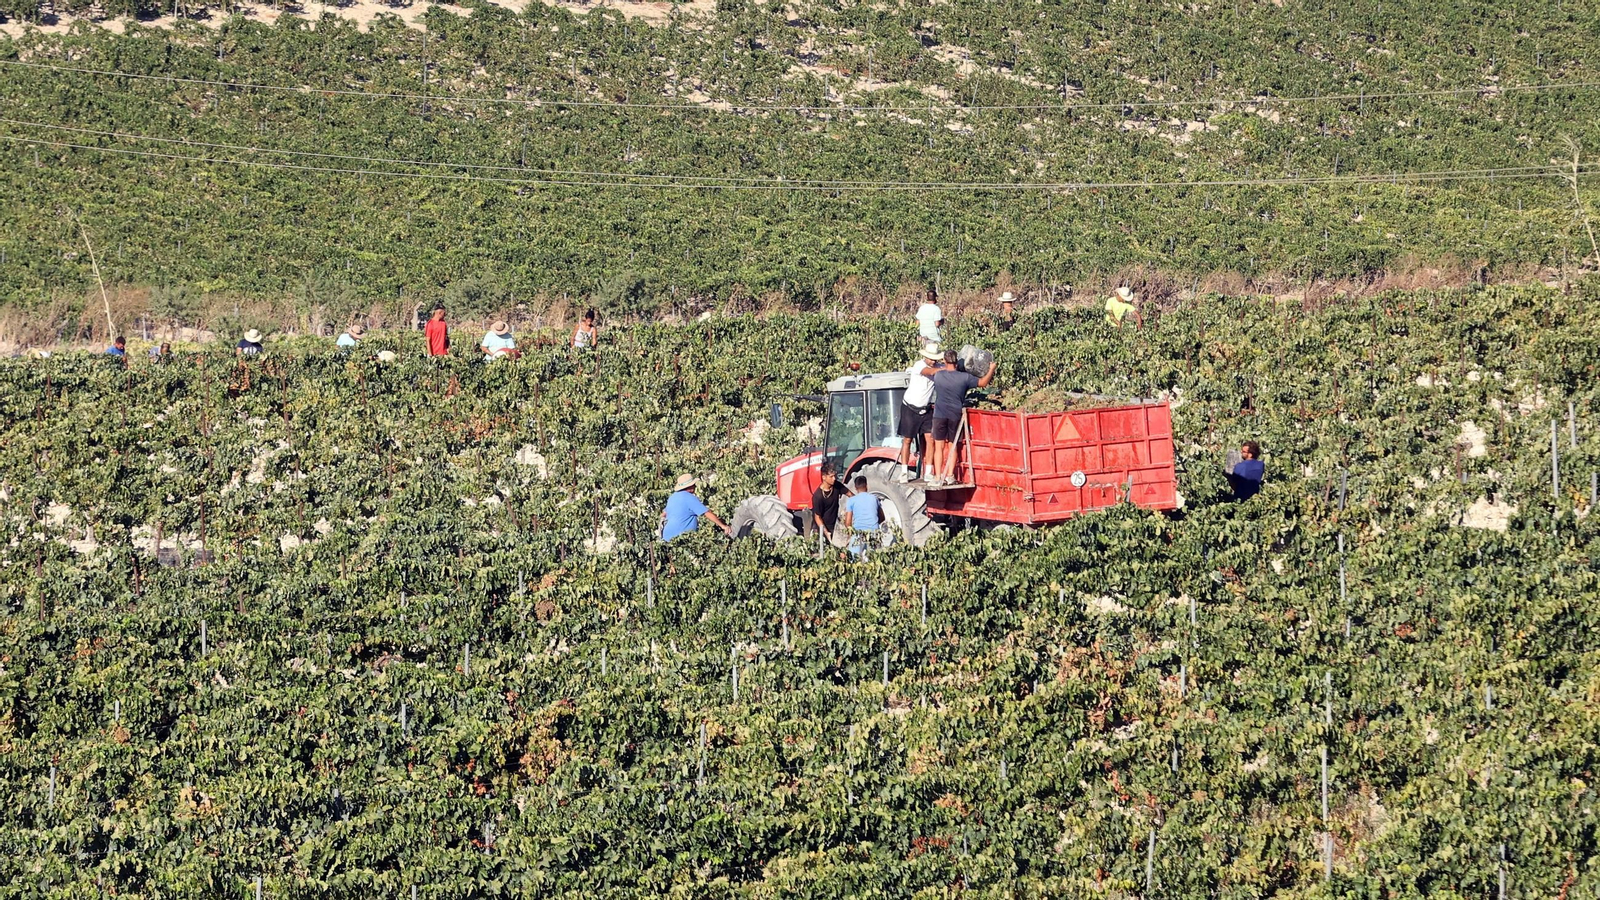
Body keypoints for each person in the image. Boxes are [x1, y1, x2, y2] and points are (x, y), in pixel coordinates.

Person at [930, 349, 997, 486]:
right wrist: (991, 369)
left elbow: (937, 371)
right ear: (957, 362)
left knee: (939, 447)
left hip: (939, 415)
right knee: (952, 446)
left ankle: (937, 478)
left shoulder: (938, 376)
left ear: (944, 361)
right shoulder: (964, 378)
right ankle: (950, 476)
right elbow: (983, 383)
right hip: (955, 415)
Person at [897, 342, 944, 483]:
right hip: (910, 408)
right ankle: (904, 472)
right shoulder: (919, 366)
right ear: (925, 357)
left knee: (931, 439)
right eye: (930, 358)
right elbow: (929, 372)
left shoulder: (939, 367)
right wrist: (945, 369)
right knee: (907, 440)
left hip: (926, 409)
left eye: (935, 358)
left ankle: (928, 472)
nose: (933, 361)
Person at [661, 474, 731, 541]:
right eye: (693, 484)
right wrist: (723, 526)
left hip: (667, 536)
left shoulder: (672, 497)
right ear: (689, 487)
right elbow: (707, 513)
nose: (695, 486)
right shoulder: (689, 497)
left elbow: (664, 514)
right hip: (681, 538)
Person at [810, 460, 853, 545]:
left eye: (835, 476)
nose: (834, 478)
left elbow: (850, 494)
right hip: (821, 528)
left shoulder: (836, 486)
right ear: (824, 477)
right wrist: (826, 532)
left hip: (834, 526)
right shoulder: (818, 496)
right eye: (831, 476)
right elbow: (817, 517)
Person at [841, 476, 882, 556]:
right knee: (874, 560)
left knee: (854, 560)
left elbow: (848, 523)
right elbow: (882, 517)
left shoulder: (851, 500)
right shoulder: (874, 498)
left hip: (858, 533)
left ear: (856, 488)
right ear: (866, 486)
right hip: (874, 533)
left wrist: (849, 537)